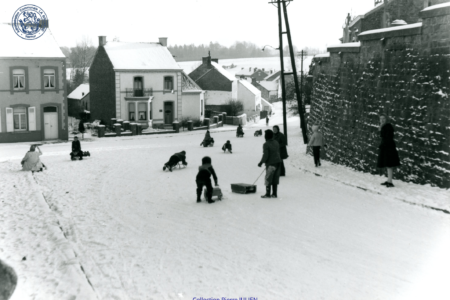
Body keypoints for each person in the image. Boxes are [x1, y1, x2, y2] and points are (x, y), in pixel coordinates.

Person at [377, 115, 400, 187]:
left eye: (383, 118)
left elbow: (388, 137)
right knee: (388, 164)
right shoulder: (383, 126)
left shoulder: (388, 127)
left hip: (389, 147)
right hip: (386, 147)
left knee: (389, 164)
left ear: (386, 119)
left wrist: (383, 145)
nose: (382, 120)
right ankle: (389, 180)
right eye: (381, 118)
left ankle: (390, 182)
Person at [258, 129, 281, 198]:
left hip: (271, 163)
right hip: (278, 162)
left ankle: (268, 194)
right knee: (275, 178)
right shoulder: (276, 142)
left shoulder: (266, 144)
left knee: (268, 178)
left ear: (266, 136)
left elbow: (266, 155)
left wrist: (261, 162)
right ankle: (274, 194)